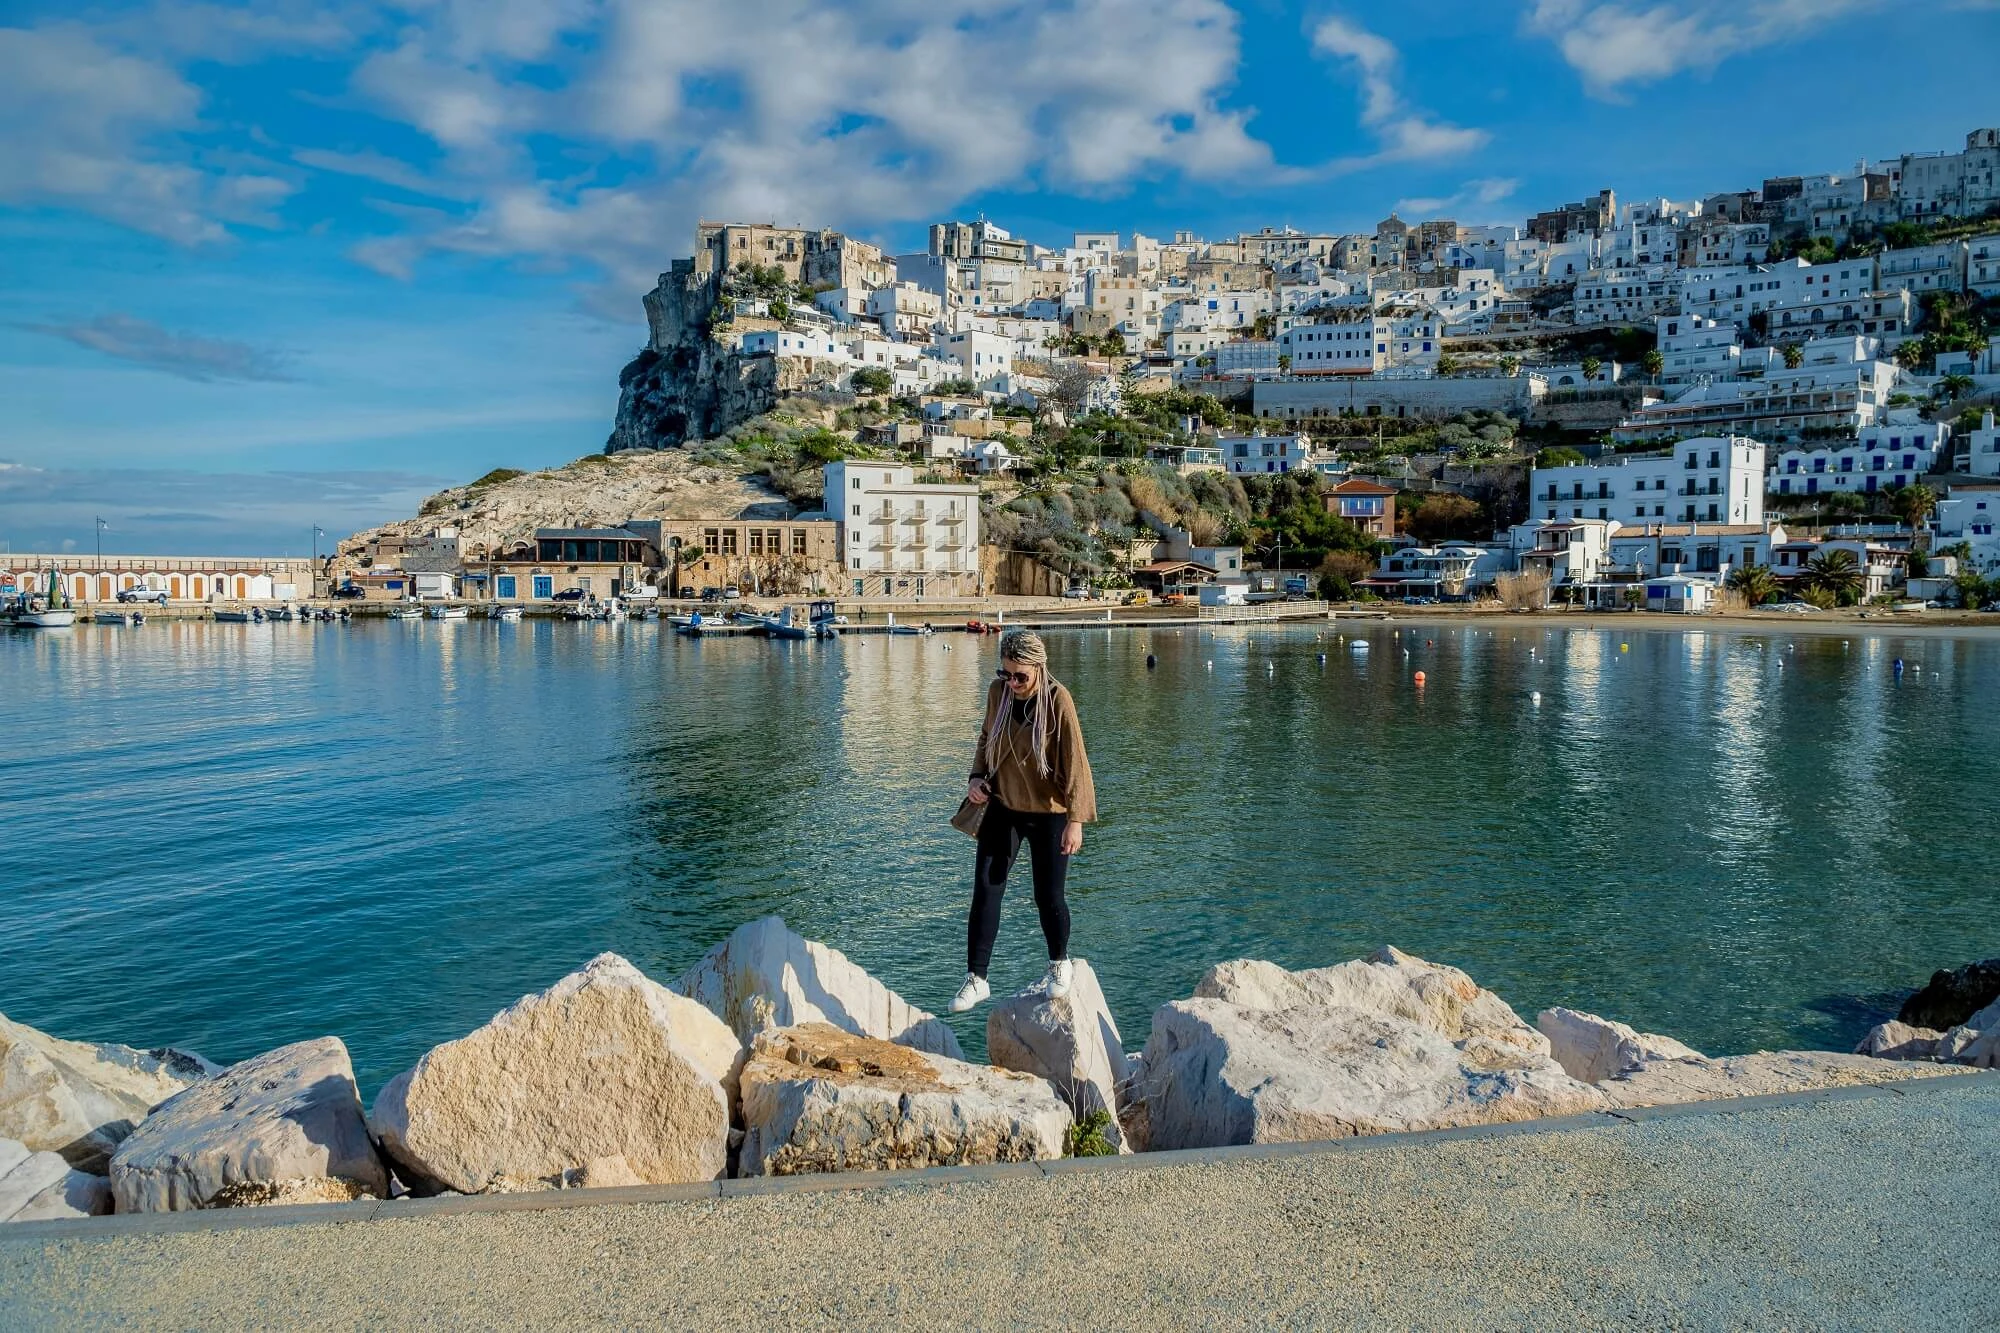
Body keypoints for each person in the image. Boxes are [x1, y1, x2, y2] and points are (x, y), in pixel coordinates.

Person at [951, 629, 1096, 1012]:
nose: (1012, 683)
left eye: (1020, 676)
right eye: (1006, 673)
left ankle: (1059, 962)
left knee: (1048, 895)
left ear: (1039, 668)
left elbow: (1076, 762)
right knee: (986, 889)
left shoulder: (1058, 699)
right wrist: (975, 779)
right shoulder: (998, 693)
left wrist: (1076, 821)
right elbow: (986, 739)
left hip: (1050, 813)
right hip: (1004, 806)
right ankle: (977, 978)